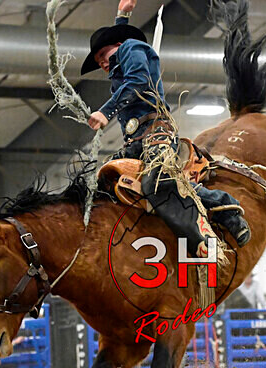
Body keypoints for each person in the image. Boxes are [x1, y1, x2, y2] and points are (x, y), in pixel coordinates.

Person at [83, 0, 250, 259]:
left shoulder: (131, 48)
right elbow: (126, 66)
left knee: (157, 180)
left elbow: (137, 81)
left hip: (156, 132)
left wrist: (105, 112)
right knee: (104, 182)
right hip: (136, 141)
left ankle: (220, 211)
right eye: (98, 60)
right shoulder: (123, 56)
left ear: (115, 46)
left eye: (102, 56)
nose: (102, 63)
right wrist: (121, 18)